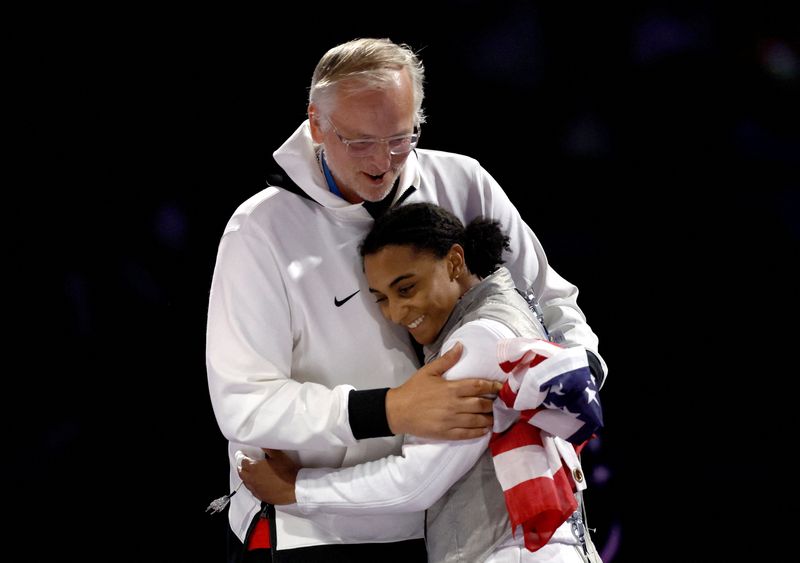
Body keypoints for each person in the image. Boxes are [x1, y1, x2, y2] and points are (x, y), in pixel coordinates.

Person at [206, 37, 606, 562]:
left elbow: (553, 304)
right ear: (316, 124)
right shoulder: (258, 231)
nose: (382, 162)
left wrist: (578, 383)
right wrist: (388, 409)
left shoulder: (464, 182)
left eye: (401, 137)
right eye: (360, 142)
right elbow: (243, 403)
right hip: (322, 533)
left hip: (462, 523)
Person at [238, 203, 603, 562]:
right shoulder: (509, 308)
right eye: (381, 298)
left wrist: (296, 488)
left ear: (455, 262)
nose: (396, 313)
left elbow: (416, 481)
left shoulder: (475, 343)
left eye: (407, 288)